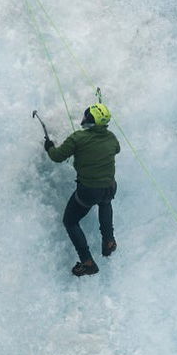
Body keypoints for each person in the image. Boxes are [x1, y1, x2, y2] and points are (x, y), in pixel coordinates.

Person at [44, 103, 120, 276]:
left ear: (92, 121)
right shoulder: (112, 138)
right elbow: (117, 149)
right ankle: (108, 241)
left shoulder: (78, 138)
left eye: (87, 115)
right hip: (110, 186)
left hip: (89, 191)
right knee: (105, 203)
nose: (84, 117)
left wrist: (49, 146)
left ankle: (87, 262)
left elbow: (57, 156)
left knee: (70, 221)